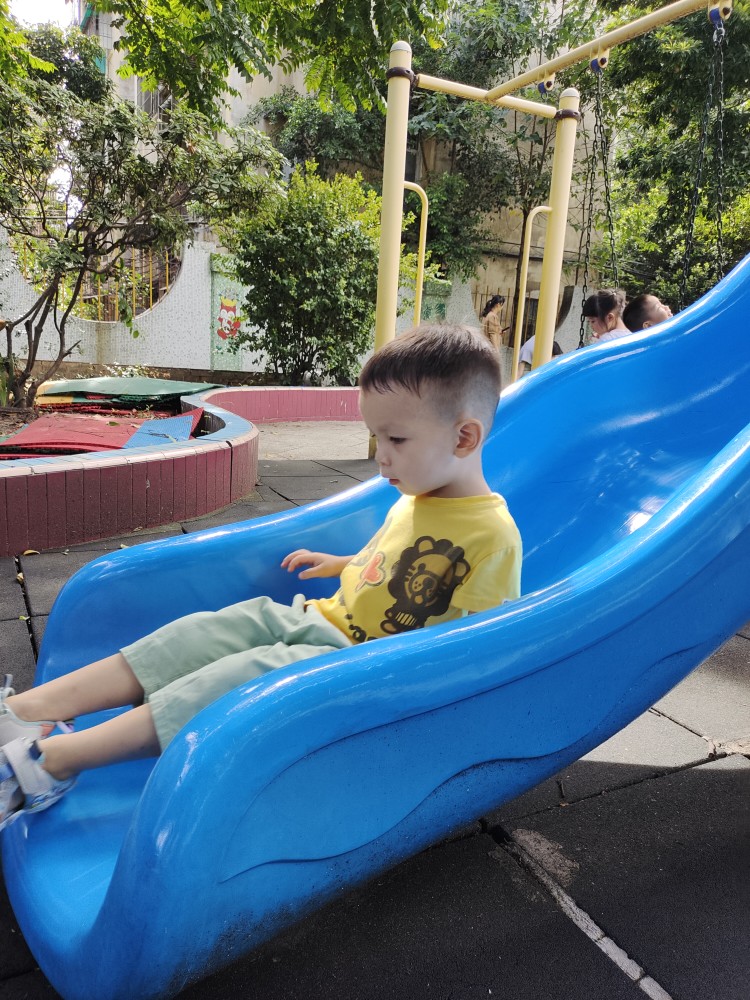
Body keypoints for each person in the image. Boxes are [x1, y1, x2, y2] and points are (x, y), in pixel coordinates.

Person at [0, 324, 523, 830]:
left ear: (464, 437)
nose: (381, 455)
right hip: (318, 620)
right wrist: (343, 563)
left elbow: (485, 643)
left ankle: (53, 761)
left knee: (233, 678)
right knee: (203, 632)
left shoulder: (492, 537)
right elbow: (393, 559)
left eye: (397, 439)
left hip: (357, 667)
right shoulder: (416, 495)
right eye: (375, 436)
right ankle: (25, 710)